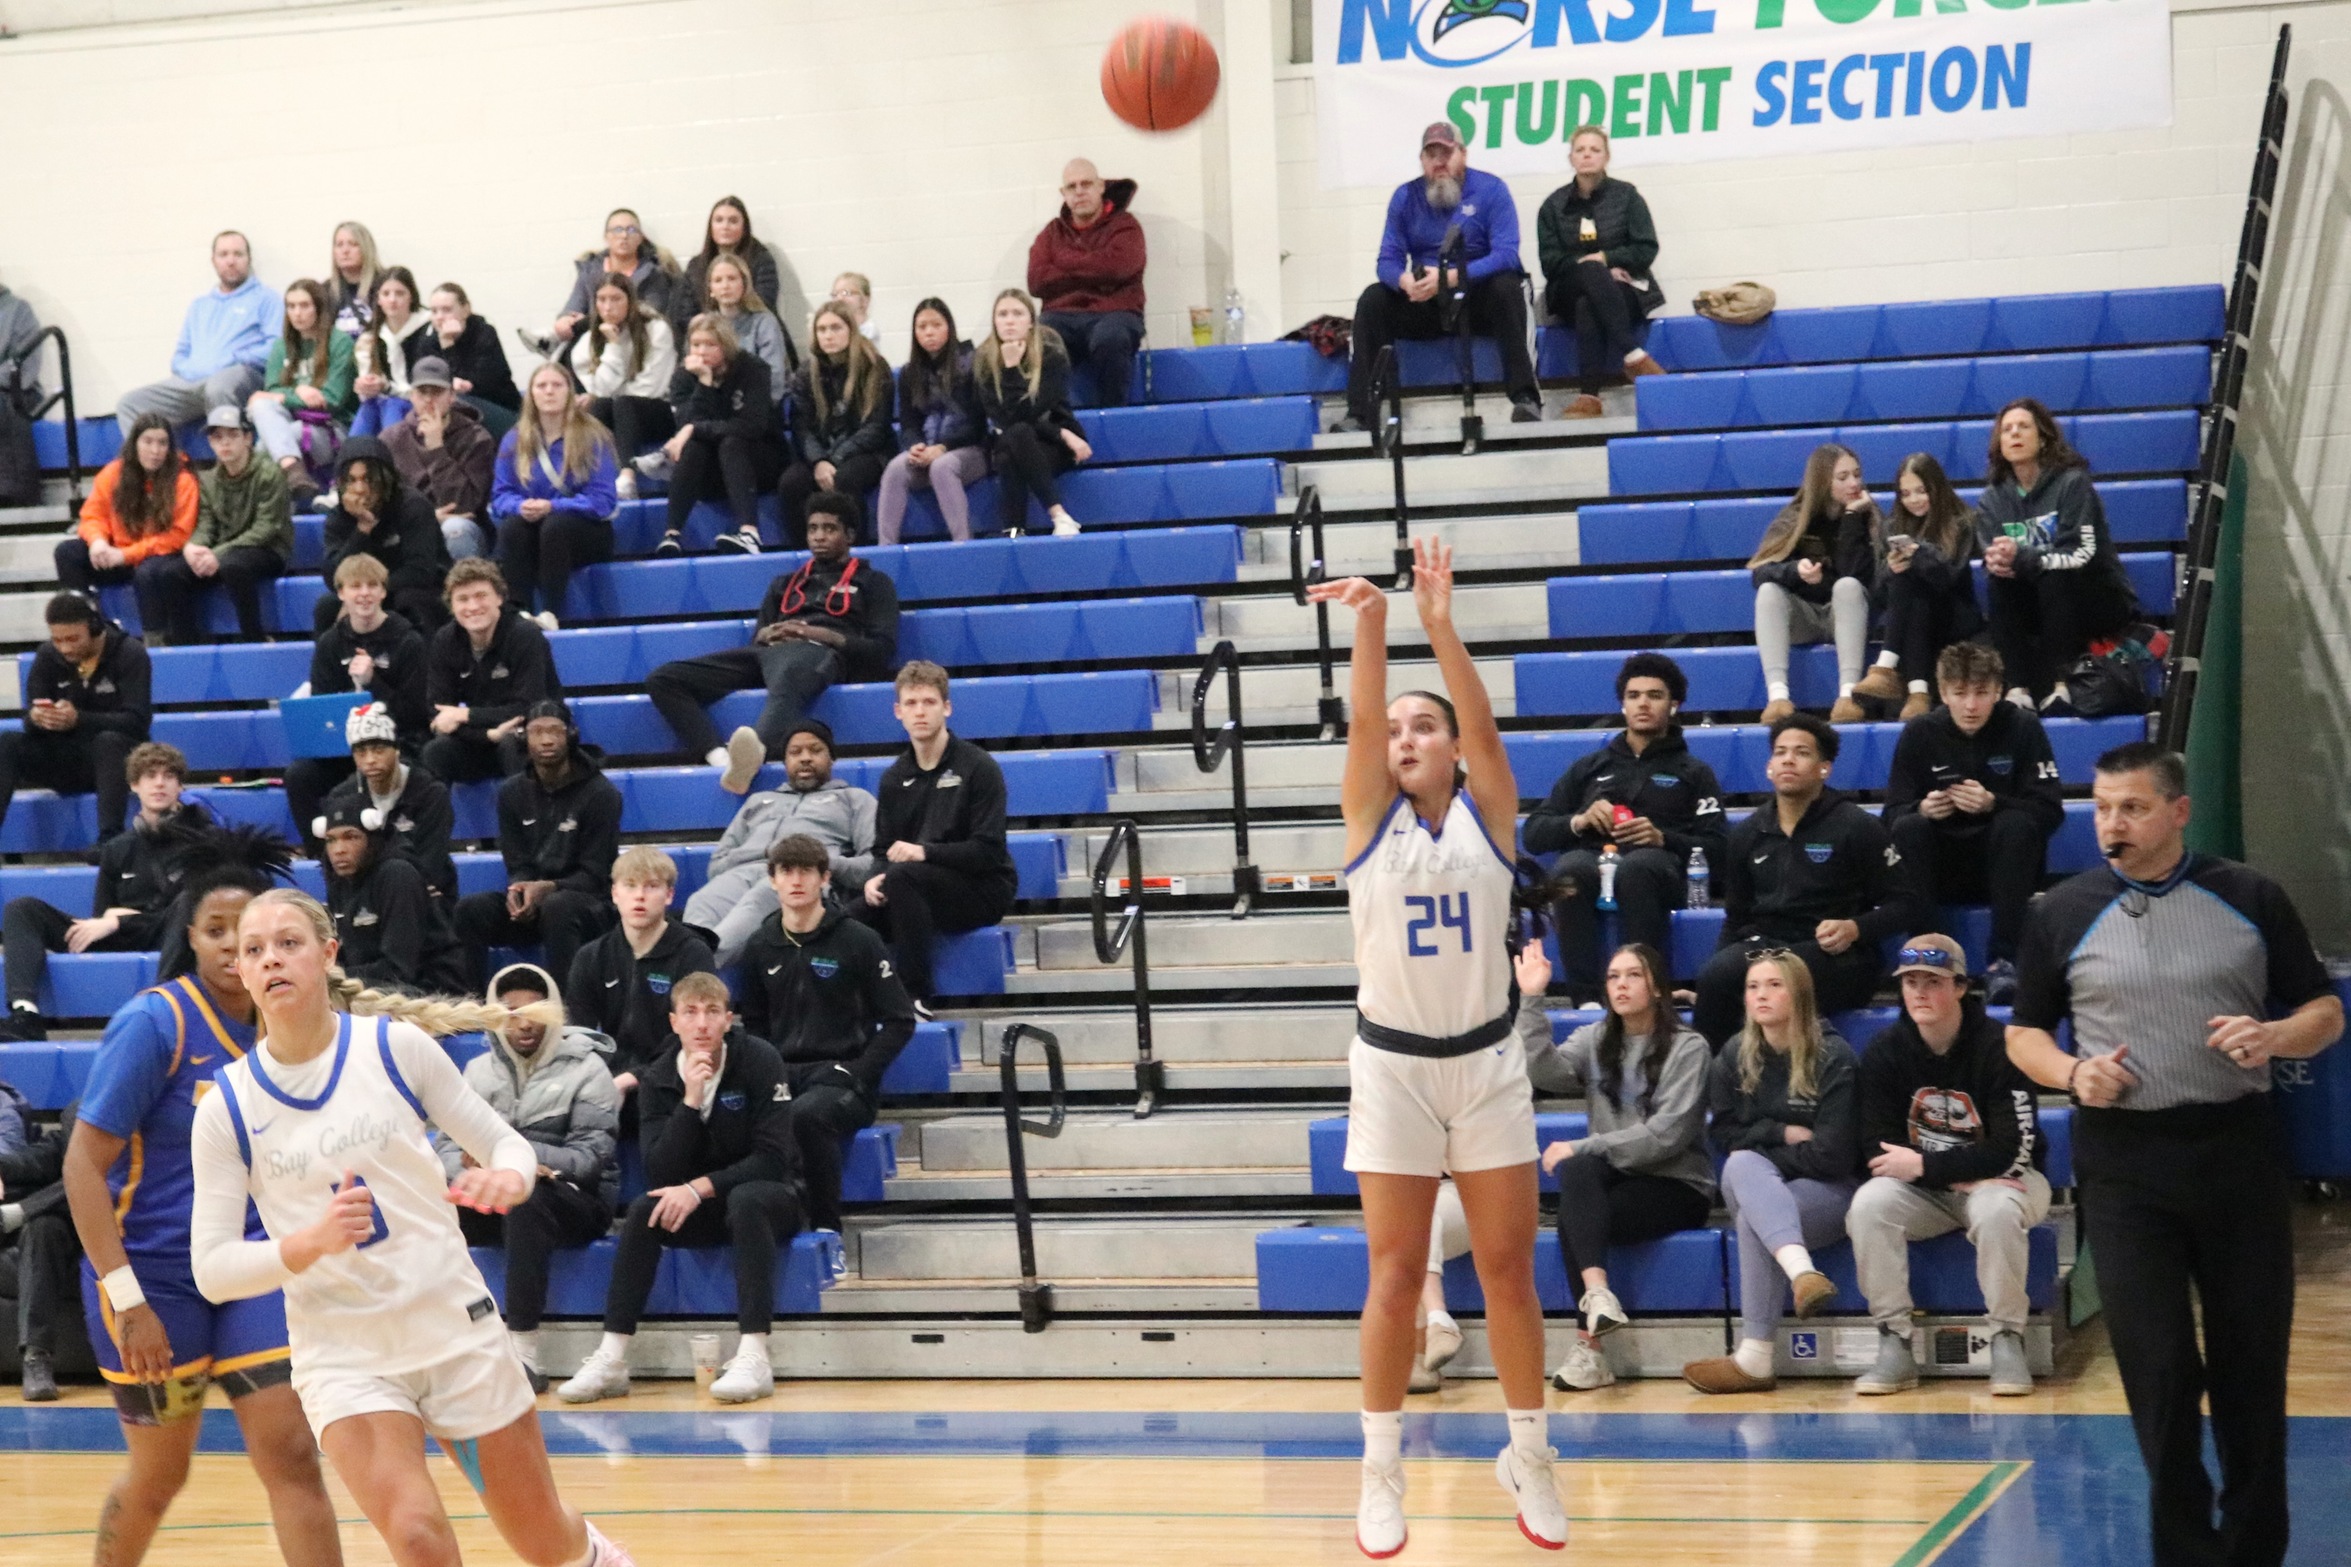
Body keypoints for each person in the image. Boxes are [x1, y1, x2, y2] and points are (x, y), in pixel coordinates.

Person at [187, 886, 640, 1567]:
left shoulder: (396, 1048)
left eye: (288, 942)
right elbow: (213, 1268)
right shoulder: (226, 1106)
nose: (271, 959)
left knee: (544, 1535)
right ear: (242, 973)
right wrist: (308, 1243)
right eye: (254, 950)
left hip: (453, 1327)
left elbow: (505, 1144)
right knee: (418, 1535)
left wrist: (511, 1178)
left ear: (327, 953)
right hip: (345, 1353)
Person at [2006, 743, 2340, 1566]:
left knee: (2248, 1369)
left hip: (2236, 1153)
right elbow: (2021, 1034)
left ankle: (2254, 1548)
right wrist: (2074, 1072)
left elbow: (2324, 1008)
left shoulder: (2248, 894)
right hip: (2123, 1167)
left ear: (2178, 811)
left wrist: (2273, 1034)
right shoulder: (2059, 910)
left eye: (2132, 807)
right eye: (2102, 806)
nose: (2111, 823)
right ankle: (2185, 1551)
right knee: (2157, 1373)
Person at [1303, 537, 1564, 1555]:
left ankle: (1529, 1450)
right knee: (1393, 1270)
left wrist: (1439, 628)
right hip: (1393, 1066)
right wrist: (1371, 624)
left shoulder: (1488, 816)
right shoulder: (1367, 818)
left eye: (1426, 726)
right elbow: (1364, 721)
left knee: (1505, 1266)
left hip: (1486, 1059)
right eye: (1398, 727)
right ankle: (1379, 1468)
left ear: (1453, 751)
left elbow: (1484, 727)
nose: (1405, 735)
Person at [59, 827, 347, 1567]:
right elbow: (82, 1169)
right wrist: (127, 1299)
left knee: (291, 1455)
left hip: (249, 1270)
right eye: (215, 931)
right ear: (191, 937)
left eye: (245, 932)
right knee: (162, 1472)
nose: (232, 947)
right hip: (150, 1279)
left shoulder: (292, 1026)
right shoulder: (156, 1023)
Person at [555, 971, 800, 1409]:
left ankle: (754, 1354)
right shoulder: (660, 1076)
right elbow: (659, 1169)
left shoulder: (761, 1059)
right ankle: (611, 1356)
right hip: (699, 1205)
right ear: (674, 1022)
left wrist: (697, 1188)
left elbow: (773, 1158)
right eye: (691, 1012)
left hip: (767, 1197)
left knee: (746, 1200)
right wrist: (690, 1100)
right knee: (644, 1210)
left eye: (711, 1013)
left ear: (729, 1019)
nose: (702, 1023)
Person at [1848, 934, 2048, 1398]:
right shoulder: (1884, 1052)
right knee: (1868, 1204)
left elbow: (2012, 1148)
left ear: (1960, 986)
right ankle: (1894, 1340)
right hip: (1932, 1190)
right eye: (1910, 982)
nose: (1919, 992)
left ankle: (2006, 1337)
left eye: (1933, 982)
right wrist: (1940, 1171)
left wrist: (1922, 1164)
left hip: (2007, 1179)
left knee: (1997, 1209)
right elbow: (1877, 1150)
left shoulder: (2002, 1047)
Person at [1528, 942, 1713, 1392]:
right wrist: (1531, 1000)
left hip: (1677, 1186)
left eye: (1633, 975)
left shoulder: (1689, 1047)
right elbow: (1541, 1072)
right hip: (1615, 1180)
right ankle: (1598, 1296)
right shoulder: (1595, 1039)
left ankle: (1590, 1350)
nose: (1621, 985)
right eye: (1613, 977)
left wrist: (1586, 1144)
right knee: (1579, 1182)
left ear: (1656, 986)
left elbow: (1666, 1135)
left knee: (1578, 1198)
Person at [1681, 950, 1861, 1394]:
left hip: (1831, 1192)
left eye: (1774, 985)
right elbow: (1723, 1134)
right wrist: (1780, 1133)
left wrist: (1761, 1152)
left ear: (1799, 994)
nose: (1761, 995)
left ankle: (1756, 1358)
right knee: (1743, 1164)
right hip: (1761, 1182)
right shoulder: (1735, 1053)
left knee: (1753, 1212)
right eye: (1753, 986)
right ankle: (1802, 1273)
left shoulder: (1835, 1057)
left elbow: (1833, 1156)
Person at [1693, 714, 1923, 1048]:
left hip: (1839, 956)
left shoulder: (1857, 827)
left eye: (1801, 752)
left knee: (1780, 977)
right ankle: (1715, 1090)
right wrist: (1716, 969)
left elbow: (1905, 905)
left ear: (1824, 768)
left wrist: (1854, 928)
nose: (1788, 759)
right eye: (1780, 752)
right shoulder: (1747, 832)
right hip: (1768, 947)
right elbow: (1737, 918)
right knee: (1715, 979)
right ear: (1769, 766)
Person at [447, 963, 621, 1395]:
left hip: (577, 1199)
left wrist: (518, 1162)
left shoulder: (588, 1068)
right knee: (432, 1205)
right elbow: (448, 1152)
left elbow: (591, 1158)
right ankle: (444, 1348)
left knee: (525, 1197)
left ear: (554, 1012)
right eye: (510, 1012)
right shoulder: (476, 1073)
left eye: (535, 1011)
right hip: (501, 1191)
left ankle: (523, 1352)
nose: (523, 1023)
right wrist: (484, 1173)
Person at [646, 494, 898, 791]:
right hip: (769, 653)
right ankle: (721, 758)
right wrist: (767, 634)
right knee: (663, 679)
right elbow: (759, 635)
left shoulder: (875, 581)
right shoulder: (784, 582)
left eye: (829, 529)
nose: (818, 536)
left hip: (819, 653)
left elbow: (881, 649)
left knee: (791, 674)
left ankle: (756, 751)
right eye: (812, 528)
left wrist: (818, 634)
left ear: (850, 535)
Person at [739, 835, 916, 1235]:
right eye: (786, 871)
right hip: (781, 1076)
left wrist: (859, 1072)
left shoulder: (858, 939)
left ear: (825, 878)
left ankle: (826, 1227)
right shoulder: (759, 946)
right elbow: (753, 1025)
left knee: (806, 1116)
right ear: (772, 880)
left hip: (842, 1079)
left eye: (806, 871)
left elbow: (900, 1020)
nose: (796, 880)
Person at [1521, 652, 1726, 996]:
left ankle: (1647, 993)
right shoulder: (1590, 766)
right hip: (1594, 861)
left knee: (1639, 868)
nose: (1643, 704)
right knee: (1569, 871)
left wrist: (1663, 838)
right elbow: (1534, 833)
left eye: (1655, 695)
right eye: (1634, 696)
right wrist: (1579, 820)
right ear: (1622, 705)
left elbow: (1720, 851)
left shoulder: (1695, 773)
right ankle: (1585, 1000)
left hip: (1659, 868)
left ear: (1674, 705)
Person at [1881, 642, 2062, 1004]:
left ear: (1998, 691)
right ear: (1943, 693)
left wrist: (1995, 803)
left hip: (2006, 866)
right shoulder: (1919, 733)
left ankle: (2003, 961)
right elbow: (1891, 815)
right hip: (1940, 868)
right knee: (1909, 828)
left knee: (2015, 823)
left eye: (1981, 693)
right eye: (1960, 693)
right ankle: (1930, 959)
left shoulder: (2023, 727)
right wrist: (1922, 809)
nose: (1971, 705)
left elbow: (2050, 811)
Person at [1339, 122, 1541, 435]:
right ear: (1422, 160)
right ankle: (1360, 414)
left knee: (1508, 287)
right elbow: (1387, 260)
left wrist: (1452, 277)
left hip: (1476, 295)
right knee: (1373, 299)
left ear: (1463, 154)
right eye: (1431, 154)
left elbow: (1507, 254)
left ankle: (1526, 397)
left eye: (1446, 153)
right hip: (1427, 299)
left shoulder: (1491, 190)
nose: (1439, 161)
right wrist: (1405, 282)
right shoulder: (1405, 197)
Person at [0, 742, 207, 1042]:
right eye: (150, 775)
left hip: (171, 935)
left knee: (187, 905)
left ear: (180, 785)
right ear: (135, 785)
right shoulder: (117, 848)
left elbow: (191, 915)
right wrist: (113, 922)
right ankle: (25, 1013)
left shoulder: (202, 842)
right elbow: (102, 916)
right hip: (121, 933)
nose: (160, 783)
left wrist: (119, 921)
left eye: (168, 775)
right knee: (22, 908)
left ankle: (168, 1009)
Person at [853, 662, 1019, 1011]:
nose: (920, 712)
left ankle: (914, 996)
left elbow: (988, 851)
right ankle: (842, 1010)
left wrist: (924, 853)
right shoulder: (894, 778)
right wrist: (872, 879)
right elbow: (883, 850)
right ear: (898, 712)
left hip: (981, 889)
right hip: (912, 886)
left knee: (903, 878)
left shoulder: (978, 767)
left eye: (929, 702)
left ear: (947, 707)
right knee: (844, 920)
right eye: (911, 704)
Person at [1978, 398, 2140, 715]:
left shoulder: (2072, 483)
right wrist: (1997, 562)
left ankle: (2061, 684)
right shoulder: (1993, 498)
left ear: (2043, 437)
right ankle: (2018, 689)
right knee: (1999, 582)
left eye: (2023, 426)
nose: (2014, 434)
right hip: (2038, 604)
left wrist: (2025, 558)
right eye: (2007, 429)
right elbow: (1993, 557)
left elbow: (2081, 555)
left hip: (2095, 596)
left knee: (2054, 573)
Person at [682, 719, 878, 968]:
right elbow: (717, 866)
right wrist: (762, 853)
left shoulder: (854, 799)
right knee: (700, 901)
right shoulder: (759, 800)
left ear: (831, 759)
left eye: (815, 750)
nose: (805, 758)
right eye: (795, 752)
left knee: (764, 895)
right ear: (785, 762)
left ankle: (693, 973)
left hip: (803, 879)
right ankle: (696, 979)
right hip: (744, 873)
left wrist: (815, 860)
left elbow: (872, 866)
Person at [453, 701, 623, 988]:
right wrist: (519, 890)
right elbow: (518, 863)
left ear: (571, 734)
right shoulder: (511, 793)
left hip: (590, 906)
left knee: (559, 906)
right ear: (523, 737)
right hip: (538, 905)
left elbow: (596, 874)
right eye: (537, 732)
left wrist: (549, 888)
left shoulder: (601, 793)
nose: (546, 740)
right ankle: (471, 1008)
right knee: (470, 910)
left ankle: (568, 1013)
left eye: (555, 731)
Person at [285, 560, 432, 842]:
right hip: (344, 748)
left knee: (414, 768)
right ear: (341, 593)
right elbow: (321, 705)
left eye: (372, 586)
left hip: (397, 746)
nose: (364, 593)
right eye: (355, 586)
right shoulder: (330, 643)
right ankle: (321, 853)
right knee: (299, 775)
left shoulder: (408, 640)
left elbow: (415, 713)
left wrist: (373, 683)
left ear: (382, 592)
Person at [563, 847, 718, 1098]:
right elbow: (578, 1036)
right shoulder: (592, 956)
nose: (640, 896)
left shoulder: (692, 954)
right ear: (614, 893)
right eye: (630, 885)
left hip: (674, 1080)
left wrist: (634, 1077)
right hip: (608, 1081)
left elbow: (697, 1038)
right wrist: (598, 1081)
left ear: (669, 895)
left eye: (651, 886)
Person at [0, 593, 152, 848]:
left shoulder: (129, 653)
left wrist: (79, 719)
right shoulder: (48, 656)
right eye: (58, 640)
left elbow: (137, 722)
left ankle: (109, 840)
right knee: (8, 741)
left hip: (116, 761)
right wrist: (39, 719)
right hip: (66, 759)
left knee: (109, 742)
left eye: (73, 639)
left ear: (93, 628)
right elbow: (29, 719)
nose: (65, 648)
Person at [1534, 125, 1664, 419]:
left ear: (1606, 157)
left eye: (1595, 150)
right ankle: (1633, 355)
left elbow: (1646, 248)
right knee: (1589, 276)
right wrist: (1595, 267)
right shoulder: (1553, 206)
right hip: (1566, 289)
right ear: (1571, 158)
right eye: (1581, 150)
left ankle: (1589, 397)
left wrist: (1608, 259)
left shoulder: (1627, 196)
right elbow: (1549, 262)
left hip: (1625, 289)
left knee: (1588, 303)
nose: (1587, 156)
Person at [1750, 443, 1880, 726]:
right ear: (1822, 481)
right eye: (1843, 477)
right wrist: (1795, 571)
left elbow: (1856, 576)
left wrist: (1851, 518)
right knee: (1769, 591)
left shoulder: (1868, 516)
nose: (1854, 483)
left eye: (1857, 474)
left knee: (1847, 587)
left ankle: (1848, 695)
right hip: (1805, 617)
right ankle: (1778, 697)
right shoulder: (1796, 516)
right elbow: (1759, 573)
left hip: (1849, 617)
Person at [1849, 453, 1981, 720]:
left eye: (1921, 491)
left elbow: (1950, 577)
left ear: (1936, 488)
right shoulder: (1893, 526)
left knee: (1913, 575)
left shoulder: (1963, 521)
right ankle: (1916, 690)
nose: (1914, 500)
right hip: (1913, 625)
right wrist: (1889, 570)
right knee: (1904, 576)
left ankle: (1888, 667)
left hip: (1955, 618)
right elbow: (1878, 596)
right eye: (1906, 494)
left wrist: (1918, 553)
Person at [146, 404, 291, 643]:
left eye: (233, 435)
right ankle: (189, 647)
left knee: (234, 566)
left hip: (268, 550)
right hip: (224, 552)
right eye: (217, 437)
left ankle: (254, 640)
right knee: (171, 573)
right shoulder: (209, 479)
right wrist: (194, 546)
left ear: (247, 438)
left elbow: (266, 528)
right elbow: (206, 522)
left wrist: (217, 554)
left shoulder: (269, 473)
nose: (225, 443)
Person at [491, 362, 620, 630]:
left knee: (555, 526)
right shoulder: (515, 439)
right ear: (531, 395)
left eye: (557, 385)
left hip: (585, 531)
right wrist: (520, 506)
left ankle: (552, 612)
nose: (549, 391)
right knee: (513, 527)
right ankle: (519, 612)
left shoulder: (593, 436)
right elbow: (500, 495)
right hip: (535, 529)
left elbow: (603, 500)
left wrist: (553, 506)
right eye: (541, 386)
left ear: (570, 392)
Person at [114, 232, 279, 436]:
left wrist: (234, 359)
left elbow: (275, 348)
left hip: (238, 378)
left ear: (249, 259)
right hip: (193, 382)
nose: (231, 261)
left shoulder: (266, 298)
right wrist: (192, 369)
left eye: (238, 254)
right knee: (130, 403)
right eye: (223, 254)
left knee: (219, 386)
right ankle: (151, 467)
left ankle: (229, 466)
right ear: (213, 261)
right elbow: (180, 355)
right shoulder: (200, 306)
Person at [647, 313, 783, 560]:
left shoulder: (752, 369)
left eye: (711, 344)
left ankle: (750, 533)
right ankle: (672, 534)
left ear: (726, 345)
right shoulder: (684, 376)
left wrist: (695, 429)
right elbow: (687, 423)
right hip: (711, 469)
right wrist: (704, 383)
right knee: (695, 446)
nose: (702, 351)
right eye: (696, 344)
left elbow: (752, 426)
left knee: (730, 442)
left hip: (758, 460)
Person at [423, 558, 562, 787]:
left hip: (532, 737)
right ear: (452, 606)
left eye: (481, 596)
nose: (473, 606)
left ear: (499, 597)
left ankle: (530, 820)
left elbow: (528, 707)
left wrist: (467, 715)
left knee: (512, 743)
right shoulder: (445, 640)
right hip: (482, 740)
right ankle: (438, 823)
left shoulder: (525, 635)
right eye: (463, 599)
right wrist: (488, 735)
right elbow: (438, 713)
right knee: (435, 752)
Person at [60, 413, 198, 643]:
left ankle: (155, 643)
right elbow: (93, 515)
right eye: (148, 442)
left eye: (162, 443)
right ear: (134, 444)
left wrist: (124, 555)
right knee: (67, 552)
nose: (155, 450)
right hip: (117, 555)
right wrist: (98, 542)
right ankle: (87, 627)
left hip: (155, 556)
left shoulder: (182, 480)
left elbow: (177, 536)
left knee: (149, 572)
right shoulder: (113, 473)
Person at [314, 794, 468, 995]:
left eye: (350, 837)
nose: (339, 850)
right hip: (378, 988)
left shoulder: (397, 875)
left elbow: (399, 969)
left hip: (433, 993)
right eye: (331, 840)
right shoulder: (339, 880)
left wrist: (331, 976)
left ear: (372, 839)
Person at [1027, 159, 1147, 407]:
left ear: (1101, 186)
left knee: (1110, 337)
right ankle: (1054, 421)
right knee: (1041, 338)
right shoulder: (1051, 233)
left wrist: (1063, 264)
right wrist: (1095, 268)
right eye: (1072, 187)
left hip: (1116, 315)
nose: (1079, 191)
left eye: (1086, 184)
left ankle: (1113, 415)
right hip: (1061, 316)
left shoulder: (1126, 226)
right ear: (1064, 193)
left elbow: (1118, 269)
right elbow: (1036, 282)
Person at [973, 289, 1089, 538]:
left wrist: (1013, 368)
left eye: (1017, 313)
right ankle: (1056, 516)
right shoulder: (984, 362)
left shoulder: (1051, 355)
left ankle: (1014, 532)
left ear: (1031, 321)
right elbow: (1003, 418)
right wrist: (1062, 433)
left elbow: (1032, 412)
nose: (1010, 320)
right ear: (994, 322)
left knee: (1012, 442)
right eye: (1002, 314)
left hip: (1055, 445)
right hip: (1032, 439)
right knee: (1012, 441)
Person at [776, 300, 893, 547]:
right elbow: (801, 426)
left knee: (846, 478)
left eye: (836, 328)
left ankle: (855, 552)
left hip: (866, 452)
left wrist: (835, 460)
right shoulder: (806, 373)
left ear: (851, 330)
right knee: (791, 482)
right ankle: (805, 555)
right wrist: (819, 461)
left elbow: (876, 427)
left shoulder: (874, 367)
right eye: (822, 329)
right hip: (820, 455)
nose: (828, 335)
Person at [316, 701, 457, 902]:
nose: (370, 759)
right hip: (363, 896)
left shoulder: (430, 793)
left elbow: (432, 858)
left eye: (378, 749)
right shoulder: (341, 797)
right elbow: (332, 867)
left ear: (396, 749)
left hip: (424, 893)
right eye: (361, 752)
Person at [312, 435, 453, 634]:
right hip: (367, 591)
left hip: (419, 588)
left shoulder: (413, 506)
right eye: (351, 480)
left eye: (368, 479)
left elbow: (420, 571)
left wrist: (372, 593)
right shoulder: (338, 516)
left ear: (384, 478)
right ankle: (334, 664)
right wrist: (362, 530)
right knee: (327, 607)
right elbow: (334, 577)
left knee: (409, 601)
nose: (360, 489)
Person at [880, 299, 988, 546]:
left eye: (936, 325)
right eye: (922, 326)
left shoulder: (972, 364)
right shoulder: (909, 373)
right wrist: (915, 445)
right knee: (895, 469)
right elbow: (908, 423)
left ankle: (963, 542)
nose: (929, 332)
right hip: (928, 449)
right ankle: (886, 548)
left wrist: (942, 448)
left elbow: (977, 424)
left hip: (971, 451)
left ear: (948, 327)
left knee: (943, 467)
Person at [247, 278, 357, 508]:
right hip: (290, 422)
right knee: (261, 407)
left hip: (331, 429)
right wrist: (299, 390)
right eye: (291, 306)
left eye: (305, 305)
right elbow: (272, 390)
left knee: (266, 445)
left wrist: (286, 396)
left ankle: (273, 510)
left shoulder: (340, 342)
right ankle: (293, 471)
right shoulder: (282, 345)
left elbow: (331, 399)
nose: (297, 313)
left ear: (318, 307)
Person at [382, 357, 498, 561]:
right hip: (411, 527)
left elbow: (463, 506)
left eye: (436, 392)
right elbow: (385, 503)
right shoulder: (391, 440)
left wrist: (436, 448)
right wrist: (426, 519)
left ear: (451, 396)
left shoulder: (477, 438)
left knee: (455, 529)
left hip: (466, 530)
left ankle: (465, 591)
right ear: (411, 396)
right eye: (422, 392)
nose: (428, 399)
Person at [0, 1100, 79, 1401]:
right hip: (80, 1219)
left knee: (100, 1177)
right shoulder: (82, 1113)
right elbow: (43, 1159)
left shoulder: (165, 1115)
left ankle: (16, 1213)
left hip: (135, 1216)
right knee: (42, 1225)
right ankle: (36, 1357)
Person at [571, 272, 677, 479]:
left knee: (622, 404)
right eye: (602, 300)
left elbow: (650, 389)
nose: (608, 307)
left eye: (616, 299)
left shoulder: (657, 330)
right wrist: (613, 346)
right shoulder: (585, 344)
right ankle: (592, 479)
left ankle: (628, 476)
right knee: (598, 407)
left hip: (657, 412)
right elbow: (600, 391)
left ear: (630, 300)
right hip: (618, 411)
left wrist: (611, 396)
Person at [542, 208, 678, 353]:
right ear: (606, 237)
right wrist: (566, 320)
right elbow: (574, 305)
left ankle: (548, 340)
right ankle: (550, 340)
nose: (624, 235)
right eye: (617, 230)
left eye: (631, 230)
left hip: (635, 343)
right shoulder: (590, 271)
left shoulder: (654, 274)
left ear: (640, 238)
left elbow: (652, 312)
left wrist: (590, 320)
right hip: (590, 343)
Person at [671, 197, 787, 354]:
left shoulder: (761, 258)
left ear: (744, 227)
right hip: (709, 337)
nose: (725, 226)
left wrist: (728, 319)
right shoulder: (696, 265)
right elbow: (684, 312)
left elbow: (765, 301)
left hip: (752, 334)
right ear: (710, 226)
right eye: (719, 220)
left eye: (733, 221)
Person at [422, 282, 521, 438]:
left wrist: (448, 346)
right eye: (434, 311)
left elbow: (477, 384)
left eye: (447, 310)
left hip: (501, 407)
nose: (440, 317)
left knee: (457, 403)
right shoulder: (429, 341)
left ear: (466, 309)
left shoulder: (484, 333)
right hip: (455, 409)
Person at [348, 266, 432, 440]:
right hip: (384, 403)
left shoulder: (429, 329)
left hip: (421, 403)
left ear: (411, 296)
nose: (392, 300)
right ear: (378, 299)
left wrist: (386, 387)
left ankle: (396, 462)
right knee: (370, 406)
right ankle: (352, 459)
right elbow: (370, 386)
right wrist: (366, 386)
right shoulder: (370, 338)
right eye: (386, 294)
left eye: (400, 293)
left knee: (391, 405)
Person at [700, 252, 791, 390]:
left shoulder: (764, 323)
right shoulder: (703, 326)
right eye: (718, 280)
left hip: (757, 403)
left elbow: (774, 377)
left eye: (731, 278)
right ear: (710, 289)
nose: (725, 286)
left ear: (744, 283)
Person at [324, 221, 383, 336]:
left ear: (366, 248)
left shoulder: (385, 285)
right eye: (339, 245)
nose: (345, 251)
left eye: (353, 244)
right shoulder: (326, 291)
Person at [828, 272, 885, 346]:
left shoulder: (869, 331)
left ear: (864, 300)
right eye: (835, 294)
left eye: (846, 293)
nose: (839, 298)